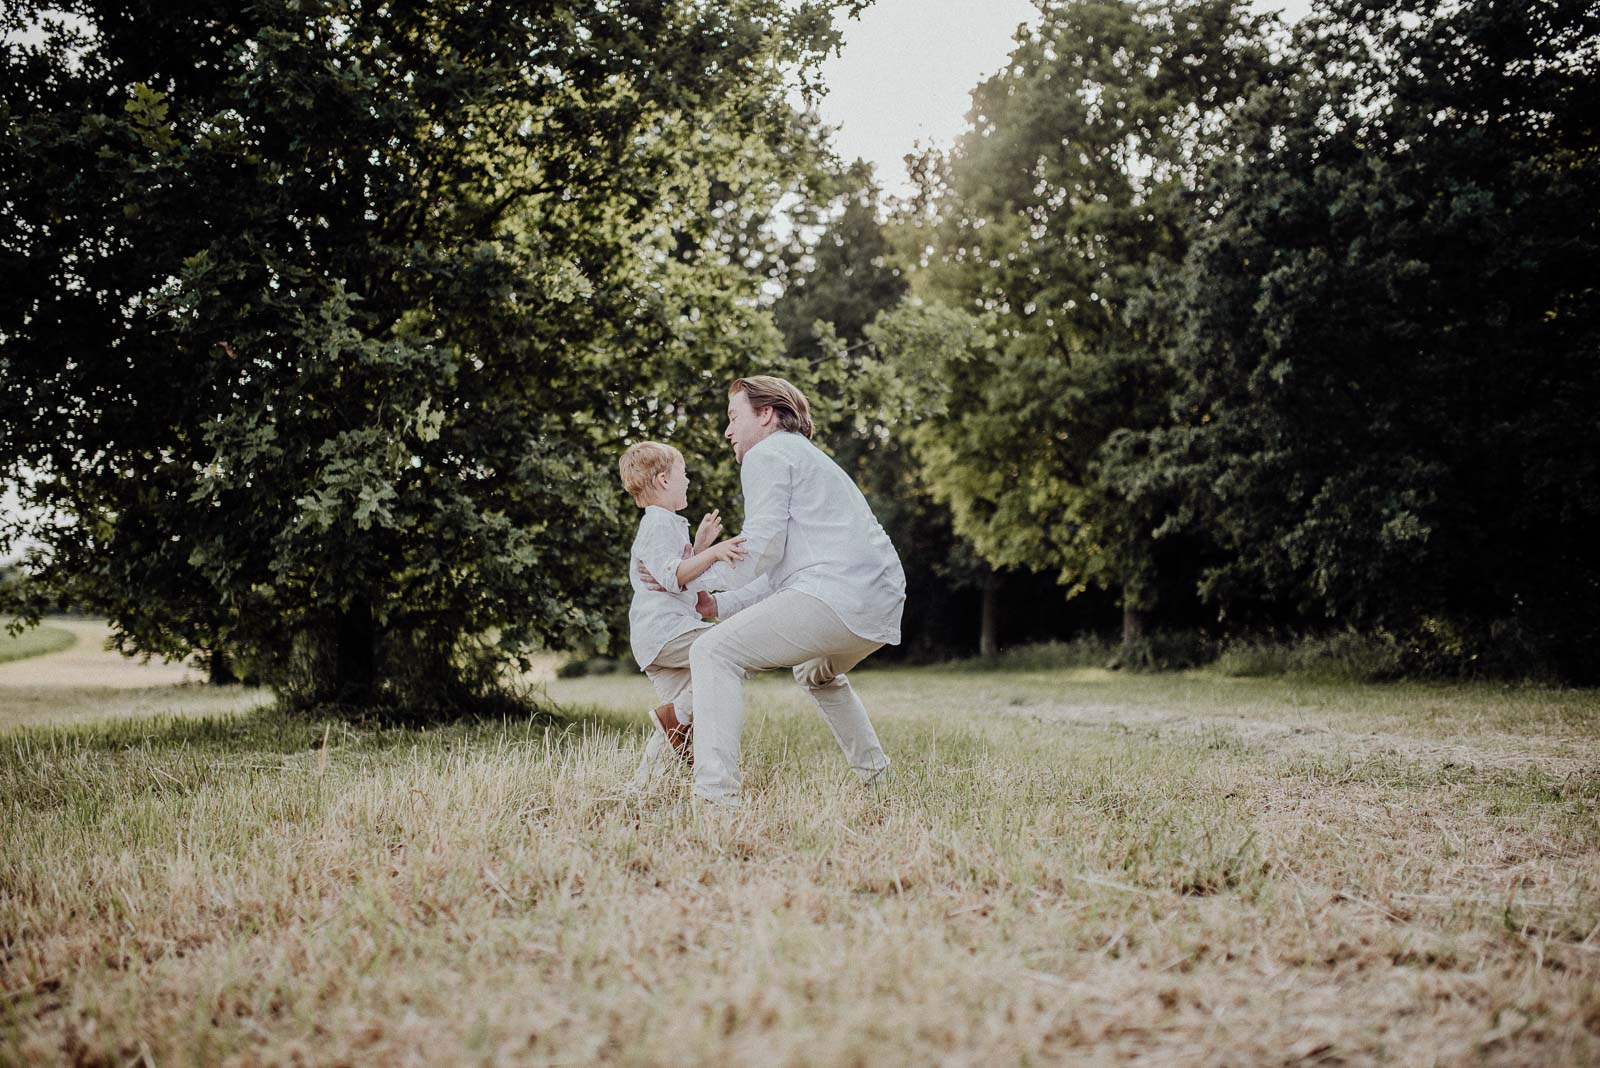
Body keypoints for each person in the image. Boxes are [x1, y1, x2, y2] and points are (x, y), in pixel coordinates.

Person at [643, 376, 905, 809]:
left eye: (733, 417)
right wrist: (717, 603)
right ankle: (879, 779)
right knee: (815, 674)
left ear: (765, 414)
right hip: (878, 605)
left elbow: (760, 549)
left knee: (712, 653)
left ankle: (716, 799)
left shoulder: (767, 453)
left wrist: (690, 578)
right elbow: (777, 571)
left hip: (835, 594)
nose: (728, 432)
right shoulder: (806, 459)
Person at [617, 441, 746, 788]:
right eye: (683, 474)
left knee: (679, 721)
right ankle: (676, 717)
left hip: (659, 637)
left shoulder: (669, 523)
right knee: (736, 651)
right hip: (665, 632)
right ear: (662, 479)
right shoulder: (657, 523)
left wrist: (701, 546)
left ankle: (638, 789)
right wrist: (716, 552)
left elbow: (681, 577)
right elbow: (674, 576)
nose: (687, 481)